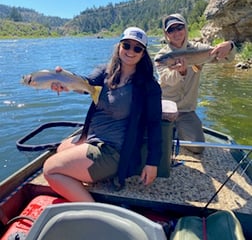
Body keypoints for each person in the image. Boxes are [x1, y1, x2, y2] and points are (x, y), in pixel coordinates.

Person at [43, 27, 162, 202]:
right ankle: (90, 174)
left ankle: (93, 209)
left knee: (49, 169)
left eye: (137, 48)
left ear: (143, 53)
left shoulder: (149, 86)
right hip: (93, 137)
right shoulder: (104, 72)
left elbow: (154, 125)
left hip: (112, 150)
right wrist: (63, 80)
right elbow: (86, 84)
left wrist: (153, 163)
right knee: (61, 149)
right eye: (126, 45)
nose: (130, 51)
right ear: (119, 46)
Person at [154, 13, 236, 154]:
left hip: (186, 111)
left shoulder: (199, 49)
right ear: (166, 34)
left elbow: (227, 59)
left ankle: (178, 130)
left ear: (185, 28)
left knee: (198, 148)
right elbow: (169, 80)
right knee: (157, 144)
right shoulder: (161, 57)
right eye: (171, 30)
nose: (176, 32)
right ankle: (171, 129)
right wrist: (180, 72)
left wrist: (229, 46)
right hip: (164, 110)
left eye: (179, 27)